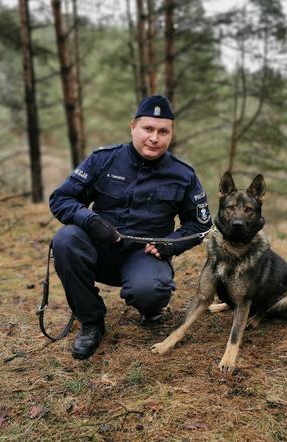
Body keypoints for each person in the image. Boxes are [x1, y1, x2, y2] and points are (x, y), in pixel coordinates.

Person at [49, 95, 212, 360]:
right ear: (133, 127)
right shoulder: (102, 160)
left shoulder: (183, 175)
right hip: (99, 250)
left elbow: (202, 224)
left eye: (163, 131)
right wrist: (89, 220)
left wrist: (171, 244)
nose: (154, 138)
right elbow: (61, 198)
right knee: (66, 240)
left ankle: (150, 308)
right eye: (148, 129)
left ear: (170, 134)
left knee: (150, 290)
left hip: (145, 256)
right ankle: (91, 322)